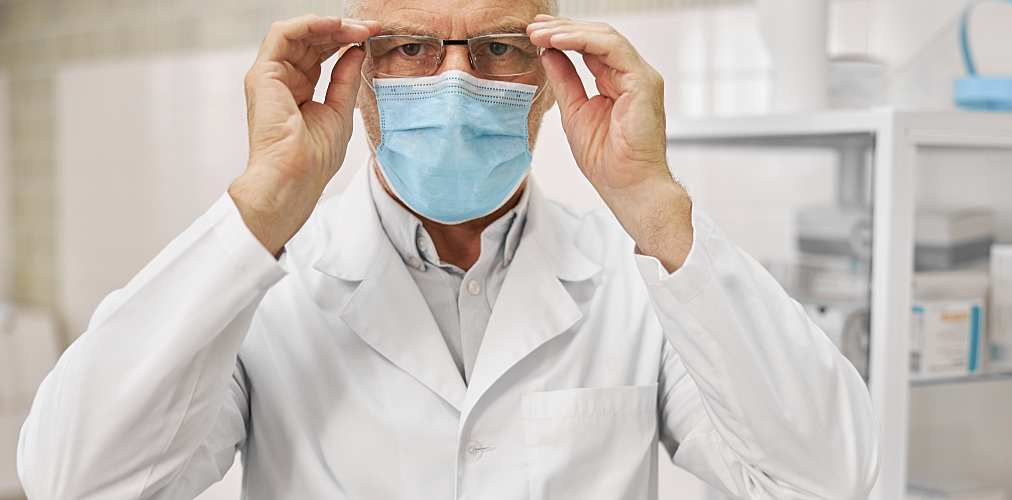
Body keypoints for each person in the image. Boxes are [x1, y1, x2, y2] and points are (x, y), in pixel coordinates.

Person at [17, 0, 879, 498]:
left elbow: (827, 476)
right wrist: (259, 205)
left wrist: (655, 206)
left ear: (553, 77)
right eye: (410, 47)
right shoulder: (266, 292)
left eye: (501, 47)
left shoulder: (633, 279)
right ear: (352, 75)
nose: (456, 80)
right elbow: (76, 478)